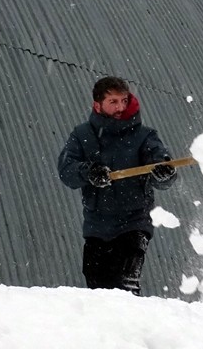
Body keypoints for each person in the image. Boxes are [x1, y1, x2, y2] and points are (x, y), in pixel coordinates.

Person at [57, 76, 178, 294]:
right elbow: (67, 172)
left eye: (123, 100)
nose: (121, 107)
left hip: (134, 224)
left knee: (126, 285)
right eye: (113, 102)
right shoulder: (82, 135)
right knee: (98, 290)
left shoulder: (144, 136)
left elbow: (162, 167)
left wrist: (164, 172)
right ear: (97, 104)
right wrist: (89, 172)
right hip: (97, 226)